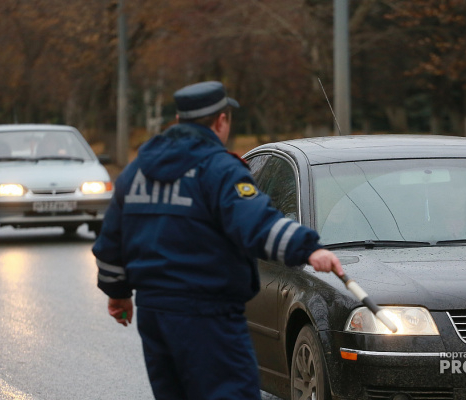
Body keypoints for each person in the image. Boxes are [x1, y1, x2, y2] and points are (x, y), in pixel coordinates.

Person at [92, 81, 344, 400]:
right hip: (208, 315)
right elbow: (256, 222)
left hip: (155, 313)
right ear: (220, 121)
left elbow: (109, 243)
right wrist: (308, 248)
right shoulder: (220, 170)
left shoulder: (136, 172)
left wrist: (118, 293)